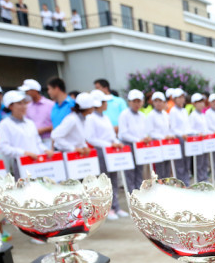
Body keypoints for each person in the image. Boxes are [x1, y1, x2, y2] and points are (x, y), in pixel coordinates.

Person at [85, 89, 126, 218]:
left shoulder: (106, 117)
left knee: (113, 179)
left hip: (111, 152)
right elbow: (90, 138)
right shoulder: (90, 118)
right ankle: (107, 209)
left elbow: (111, 135)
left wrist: (116, 142)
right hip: (100, 152)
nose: (106, 104)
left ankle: (116, 206)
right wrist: (109, 144)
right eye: (104, 102)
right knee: (103, 181)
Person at [0, 90, 53, 175]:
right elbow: (3, 147)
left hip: (37, 164)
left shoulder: (30, 123)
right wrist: (23, 153)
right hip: (20, 165)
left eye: (24, 103)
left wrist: (45, 150)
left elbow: (37, 142)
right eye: (19, 103)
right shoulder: (5, 124)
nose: (23, 106)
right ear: (10, 106)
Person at [118, 89, 149, 188]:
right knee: (129, 172)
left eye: (138, 101)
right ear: (129, 102)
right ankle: (131, 194)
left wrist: (145, 138)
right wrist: (138, 140)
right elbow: (123, 134)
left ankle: (139, 192)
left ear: (142, 102)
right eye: (134, 101)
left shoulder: (142, 115)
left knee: (140, 170)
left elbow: (144, 131)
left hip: (139, 146)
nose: (136, 104)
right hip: (128, 145)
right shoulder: (124, 114)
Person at [51, 91, 95, 155]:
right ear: (88, 108)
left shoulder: (83, 119)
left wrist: (84, 146)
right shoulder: (72, 119)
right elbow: (55, 135)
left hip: (74, 155)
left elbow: (79, 138)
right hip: (65, 154)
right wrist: (72, 148)